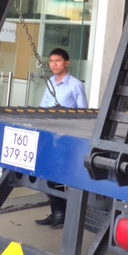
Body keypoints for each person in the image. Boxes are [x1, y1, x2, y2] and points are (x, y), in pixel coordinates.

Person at [35, 48, 88, 229]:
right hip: (49, 134)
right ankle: (58, 212)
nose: (54, 64)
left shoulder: (75, 85)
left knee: (56, 175)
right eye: (51, 61)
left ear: (67, 63)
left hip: (65, 137)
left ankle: (60, 213)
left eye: (57, 60)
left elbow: (83, 113)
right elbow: (43, 106)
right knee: (45, 172)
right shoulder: (50, 82)